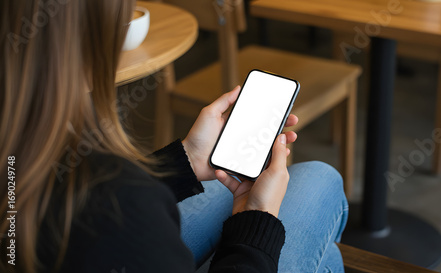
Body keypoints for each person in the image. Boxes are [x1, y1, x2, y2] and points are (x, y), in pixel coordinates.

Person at [0, 0, 348, 272]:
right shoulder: (115, 200)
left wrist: (184, 161)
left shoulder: (25, 159)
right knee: (321, 179)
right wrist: (258, 218)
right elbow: (113, 207)